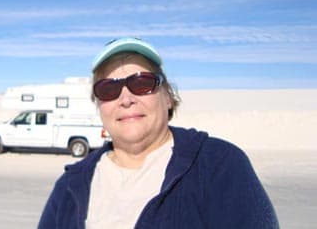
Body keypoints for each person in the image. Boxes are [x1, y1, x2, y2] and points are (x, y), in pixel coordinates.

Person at [38, 37, 279, 229]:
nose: (126, 99)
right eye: (108, 89)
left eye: (141, 83)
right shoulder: (70, 185)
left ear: (168, 97)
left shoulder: (219, 164)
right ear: (99, 105)